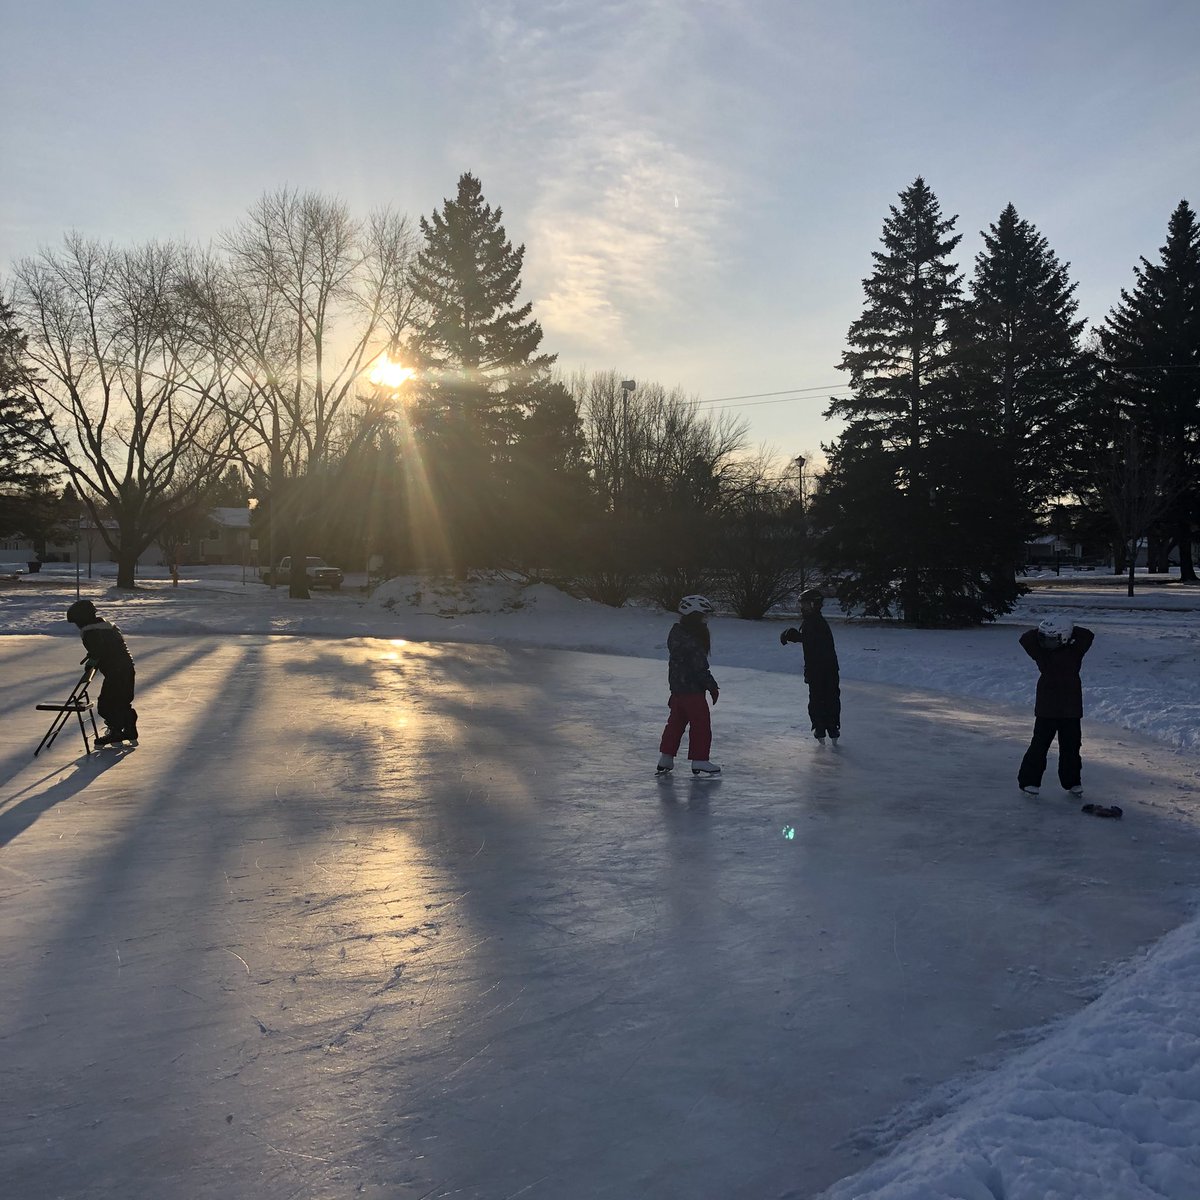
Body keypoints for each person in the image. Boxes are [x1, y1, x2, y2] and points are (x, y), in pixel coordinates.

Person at [1017, 615, 1094, 797]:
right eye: (1045, 640)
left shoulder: (1075, 651)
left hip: (1071, 708)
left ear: (1065, 638)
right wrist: (1044, 629)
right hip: (1047, 707)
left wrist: (1068, 626)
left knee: (1071, 747)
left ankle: (1072, 781)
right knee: (1039, 745)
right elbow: (1026, 638)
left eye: (1052, 640)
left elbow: (1087, 635)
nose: (1047, 644)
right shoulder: (1042, 653)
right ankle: (1029, 781)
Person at [657, 595, 721, 776]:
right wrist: (712, 686)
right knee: (701, 723)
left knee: (675, 723)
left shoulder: (678, 634)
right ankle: (700, 760)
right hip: (692, 690)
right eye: (703, 615)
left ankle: (666, 758)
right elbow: (699, 667)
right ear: (694, 615)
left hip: (678, 690)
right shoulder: (692, 639)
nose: (705, 619)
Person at [66, 599, 139, 746]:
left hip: (115, 671)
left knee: (106, 705)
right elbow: (110, 647)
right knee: (123, 702)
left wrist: (92, 661)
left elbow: (99, 650)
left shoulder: (90, 631)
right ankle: (130, 730)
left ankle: (116, 731)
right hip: (127, 668)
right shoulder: (107, 626)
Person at [779, 588, 840, 744]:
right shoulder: (812, 621)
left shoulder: (815, 622)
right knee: (820, 699)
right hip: (820, 668)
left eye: (807, 605)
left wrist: (794, 636)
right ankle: (824, 727)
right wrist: (796, 636)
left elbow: (814, 641)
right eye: (802, 604)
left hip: (824, 669)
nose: (803, 608)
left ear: (816, 605)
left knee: (825, 699)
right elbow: (810, 640)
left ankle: (828, 727)